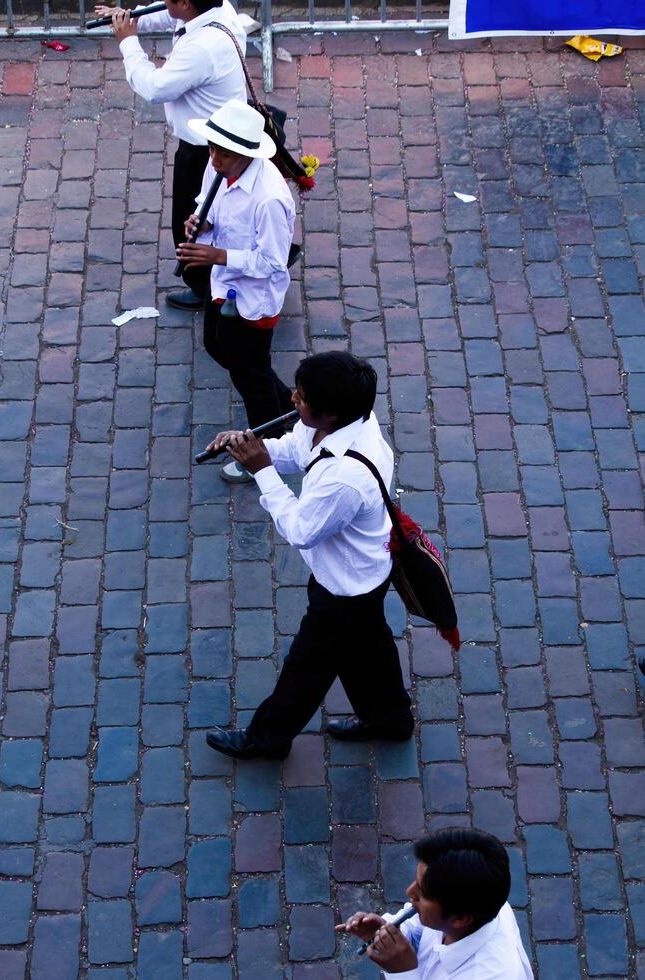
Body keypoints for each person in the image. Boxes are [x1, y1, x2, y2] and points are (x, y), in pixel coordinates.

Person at [203, 351, 415, 759]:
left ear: (330, 414)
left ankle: (266, 739)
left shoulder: (344, 480)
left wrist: (261, 470)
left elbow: (301, 530)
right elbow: (297, 449)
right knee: (368, 650)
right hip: (362, 574)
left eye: (301, 398)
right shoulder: (345, 422)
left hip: (346, 587)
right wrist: (251, 446)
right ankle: (391, 720)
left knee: (307, 666)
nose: (293, 399)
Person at [95, 0, 247, 310]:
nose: (163, 1)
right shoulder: (217, 10)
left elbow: (155, 87)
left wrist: (128, 42)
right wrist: (131, 16)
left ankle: (205, 288)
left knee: (191, 222)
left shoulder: (202, 49)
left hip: (205, 151)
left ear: (186, 3)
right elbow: (168, 13)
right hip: (219, 138)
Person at [176, 99, 296, 484]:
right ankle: (290, 406)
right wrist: (201, 224)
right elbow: (207, 209)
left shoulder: (270, 199)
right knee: (219, 347)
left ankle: (265, 449)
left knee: (249, 376)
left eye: (221, 153)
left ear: (244, 153)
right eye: (211, 149)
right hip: (223, 288)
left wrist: (217, 254)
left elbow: (274, 261)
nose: (212, 159)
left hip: (252, 300)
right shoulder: (220, 171)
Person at [337, 829, 534, 979]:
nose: (409, 892)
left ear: (460, 919)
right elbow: (419, 929)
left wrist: (402, 972)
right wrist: (390, 930)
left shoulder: (491, 974)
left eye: (422, 894)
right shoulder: (475, 900)